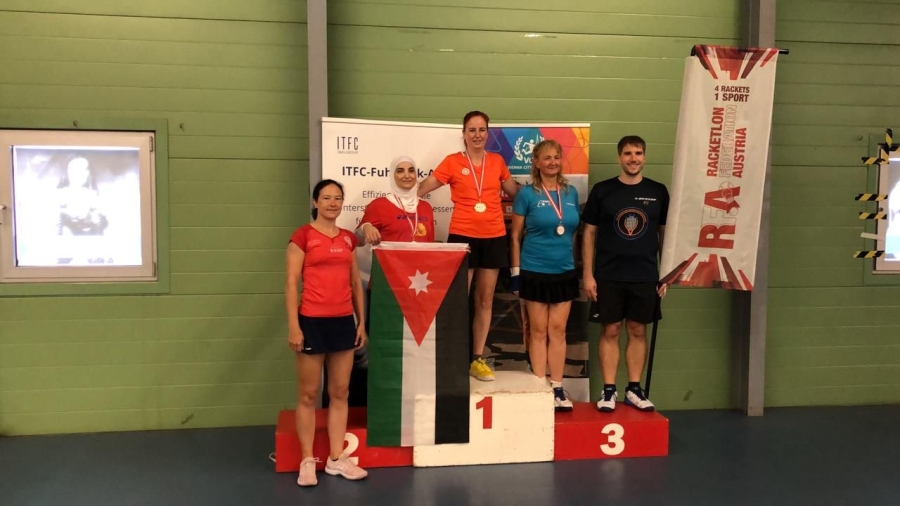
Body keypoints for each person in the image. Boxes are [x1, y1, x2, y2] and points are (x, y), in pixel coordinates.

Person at [418, 111, 520, 381]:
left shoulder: (497, 161)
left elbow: (514, 192)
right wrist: (403, 197)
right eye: (472, 130)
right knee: (458, 300)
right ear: (463, 134)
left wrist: (542, 193)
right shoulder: (452, 162)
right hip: (463, 237)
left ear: (488, 133)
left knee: (485, 300)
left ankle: (476, 358)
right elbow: (422, 188)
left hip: (494, 236)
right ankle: (451, 357)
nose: (477, 135)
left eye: (482, 130)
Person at [285, 179, 368, 487]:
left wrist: (361, 322)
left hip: (343, 322)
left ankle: (335, 459)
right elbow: (290, 284)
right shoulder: (303, 236)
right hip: (312, 323)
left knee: (340, 392)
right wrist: (294, 327)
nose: (333, 203)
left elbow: (355, 283)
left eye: (337, 198)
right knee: (308, 394)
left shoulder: (348, 239)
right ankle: (307, 460)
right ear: (315, 202)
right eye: (327, 198)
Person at [582, 136, 669, 413]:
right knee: (610, 329)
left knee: (638, 329)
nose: (633, 158)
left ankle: (634, 389)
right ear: (619, 157)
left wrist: (666, 274)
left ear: (644, 157)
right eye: (628, 153)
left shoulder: (658, 191)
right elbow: (589, 233)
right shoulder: (603, 190)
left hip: (645, 275)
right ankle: (609, 390)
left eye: (638, 153)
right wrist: (588, 275)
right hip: (608, 274)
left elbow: (665, 234)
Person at [510, 139, 580, 411]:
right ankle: (540, 387)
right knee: (538, 331)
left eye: (556, 157)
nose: (552, 162)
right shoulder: (527, 195)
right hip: (534, 270)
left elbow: (572, 232)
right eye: (546, 158)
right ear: (536, 163)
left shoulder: (571, 193)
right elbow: (515, 236)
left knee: (558, 330)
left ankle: (557, 387)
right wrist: (516, 273)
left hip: (564, 271)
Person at [358, 156, 435, 245]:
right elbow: (357, 241)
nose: (407, 176)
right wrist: (365, 227)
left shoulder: (426, 207)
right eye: (400, 171)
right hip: (387, 255)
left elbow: (430, 245)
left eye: (411, 171)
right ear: (392, 175)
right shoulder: (379, 205)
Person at [57, 156, 108, 236]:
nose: (78, 175)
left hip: (88, 232)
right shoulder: (62, 193)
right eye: (74, 171)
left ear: (87, 174)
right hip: (68, 233)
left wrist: (96, 217)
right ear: (68, 172)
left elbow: (98, 216)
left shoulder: (92, 194)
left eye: (83, 170)